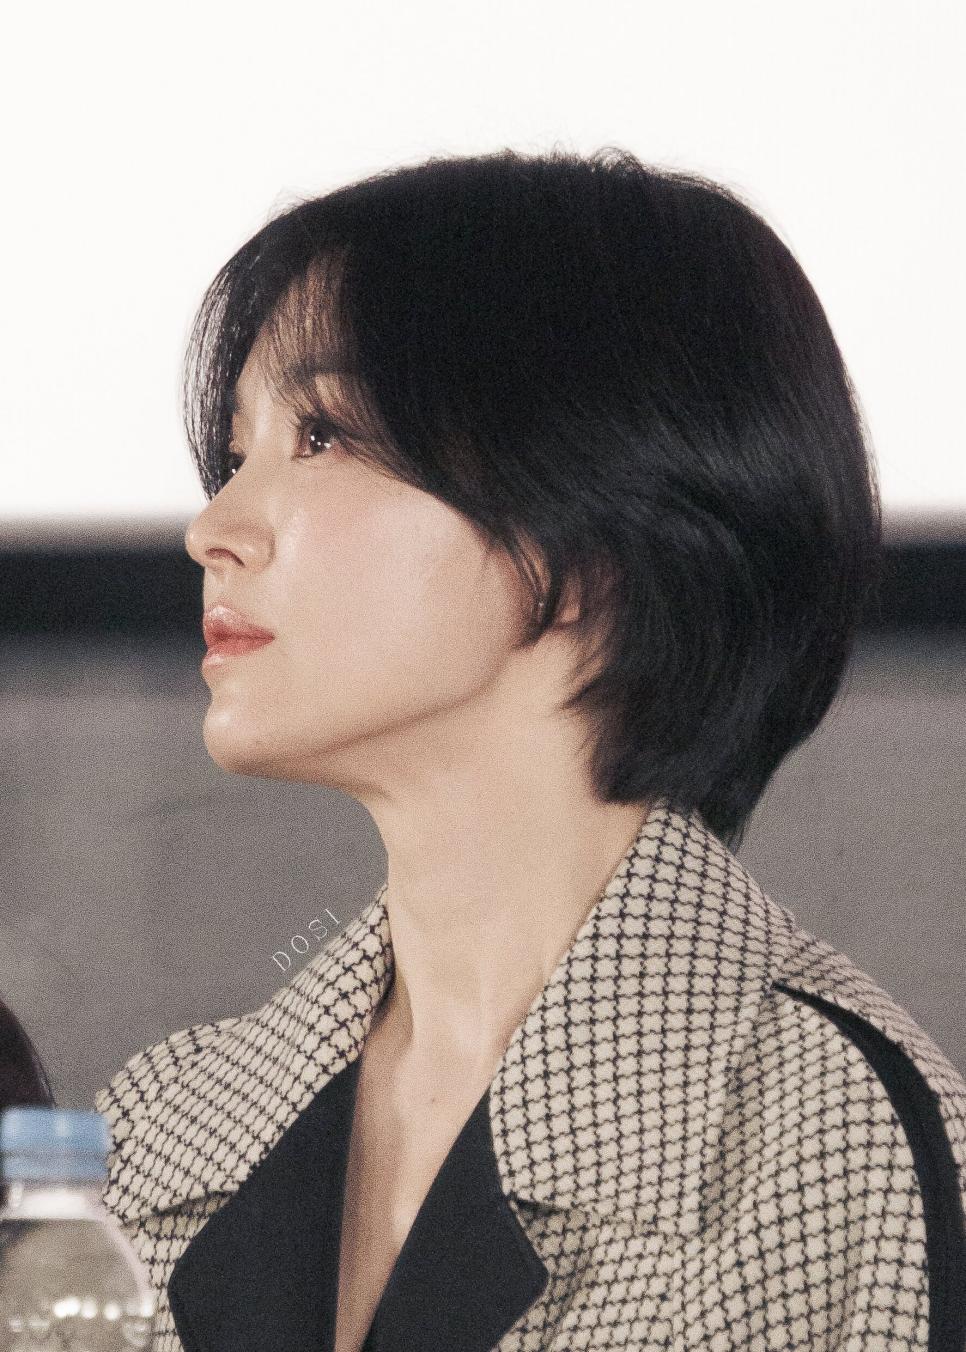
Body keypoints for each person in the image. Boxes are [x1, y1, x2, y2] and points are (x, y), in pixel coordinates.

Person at [95, 147, 966, 1351]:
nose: (214, 527)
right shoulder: (156, 1131)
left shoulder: (833, 1148)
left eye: (324, 433)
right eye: (236, 453)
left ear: (589, 521)